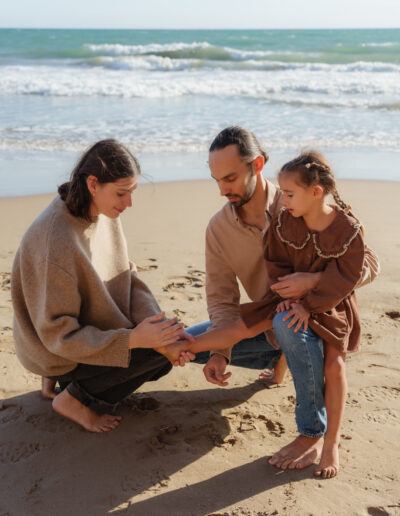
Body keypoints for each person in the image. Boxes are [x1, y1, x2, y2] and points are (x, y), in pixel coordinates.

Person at [181, 127, 379, 472]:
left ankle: (316, 436)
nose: (222, 190)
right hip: (273, 314)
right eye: (216, 180)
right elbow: (223, 298)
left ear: (257, 165)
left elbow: (366, 263)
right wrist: (218, 354)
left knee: (306, 342)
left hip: (318, 314)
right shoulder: (228, 226)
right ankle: (161, 352)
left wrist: (314, 283)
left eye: (230, 178)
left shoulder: (303, 197)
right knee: (204, 339)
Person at [11, 139, 192, 433]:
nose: (128, 203)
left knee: (162, 348)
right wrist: (135, 340)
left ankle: (58, 382)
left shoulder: (99, 210)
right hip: (53, 347)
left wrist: (156, 326)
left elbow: (125, 276)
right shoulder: (55, 240)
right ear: (93, 183)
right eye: (122, 193)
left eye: (131, 193)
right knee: (155, 357)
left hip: (75, 333)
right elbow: (58, 334)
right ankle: (71, 399)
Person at [238, 150, 368, 478]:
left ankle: (330, 443)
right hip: (295, 298)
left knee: (334, 366)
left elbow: (346, 278)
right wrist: (285, 294)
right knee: (279, 322)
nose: (284, 200)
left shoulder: (348, 229)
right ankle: (288, 386)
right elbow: (276, 261)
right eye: (282, 193)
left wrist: (308, 305)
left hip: (332, 304)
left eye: (290, 194)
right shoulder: (285, 221)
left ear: (316, 192)